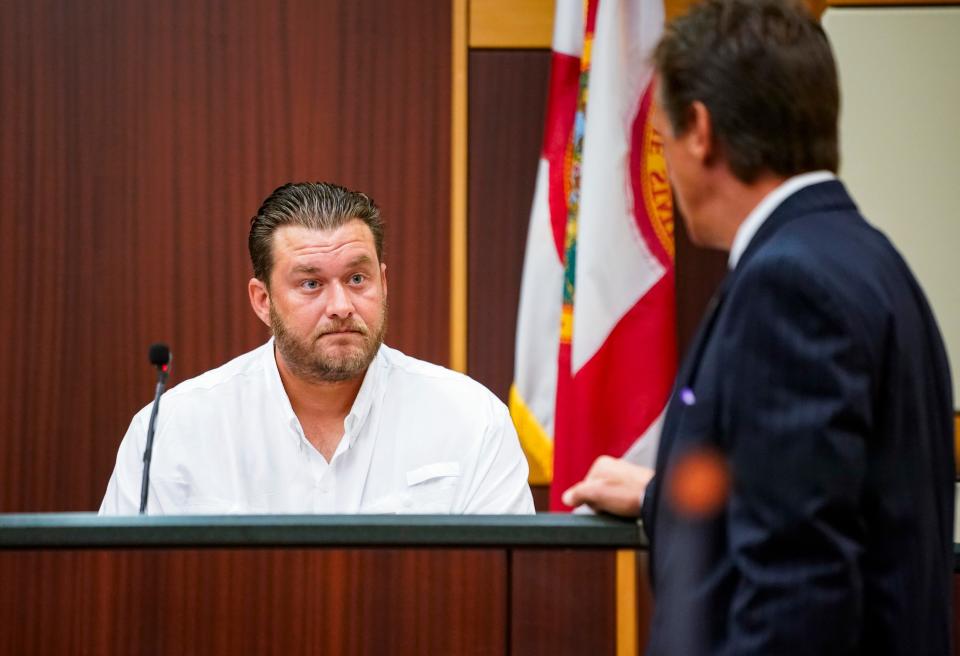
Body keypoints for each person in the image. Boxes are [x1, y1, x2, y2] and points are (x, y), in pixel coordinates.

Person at [563, 1, 954, 654]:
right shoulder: (871, 262)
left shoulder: (789, 288)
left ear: (701, 131)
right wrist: (663, 498)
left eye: (660, 139)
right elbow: (819, 502)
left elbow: (797, 583)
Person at [101, 182, 535, 515]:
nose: (341, 306)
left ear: (384, 283)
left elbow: (505, 595)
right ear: (262, 300)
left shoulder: (471, 419)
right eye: (311, 284)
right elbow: (123, 589)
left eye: (357, 279)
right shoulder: (174, 429)